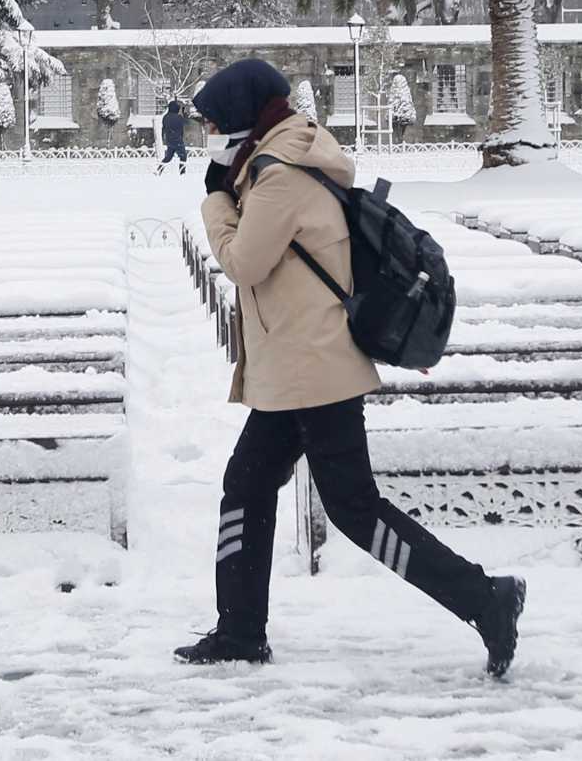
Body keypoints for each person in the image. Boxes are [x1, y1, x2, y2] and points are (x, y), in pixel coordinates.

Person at [178, 56, 524, 678]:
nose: (207, 134)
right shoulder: (282, 160)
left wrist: (213, 202)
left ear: (239, 119)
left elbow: (244, 263)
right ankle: (238, 631)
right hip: (298, 365)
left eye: (211, 123)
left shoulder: (279, 174)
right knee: (248, 486)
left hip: (314, 369)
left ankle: (485, 598)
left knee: (354, 511)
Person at [155, 97, 190, 175]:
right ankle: (182, 173)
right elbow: (187, 122)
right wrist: (184, 113)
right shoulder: (178, 117)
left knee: (168, 157)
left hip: (169, 140)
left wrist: (164, 138)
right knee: (183, 156)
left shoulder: (165, 117)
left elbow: (163, 128)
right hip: (178, 140)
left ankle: (159, 170)